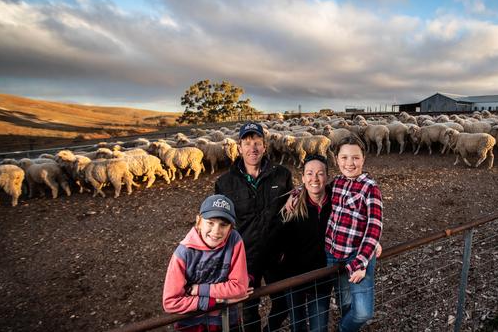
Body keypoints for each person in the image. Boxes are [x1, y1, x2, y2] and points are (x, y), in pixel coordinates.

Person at [281, 154, 383, 332]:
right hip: (295, 277)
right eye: (309, 174)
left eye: (320, 173)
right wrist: (296, 191)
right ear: (303, 177)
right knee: (297, 325)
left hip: (321, 275)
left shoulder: (336, 198)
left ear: (328, 177)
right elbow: (278, 237)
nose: (315, 178)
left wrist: (374, 242)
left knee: (319, 327)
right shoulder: (293, 206)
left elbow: (357, 221)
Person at [214, 122, 293, 332]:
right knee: (249, 309)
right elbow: (220, 223)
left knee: (284, 302)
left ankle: (269, 329)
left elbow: (291, 213)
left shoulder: (282, 175)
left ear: (265, 146)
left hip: (276, 254)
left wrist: (288, 247)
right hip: (245, 257)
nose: (253, 148)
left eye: (257, 142)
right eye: (247, 143)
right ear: (239, 147)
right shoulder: (225, 183)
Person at [162, 194, 252, 332]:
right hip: (192, 325)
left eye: (223, 224)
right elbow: (170, 302)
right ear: (198, 221)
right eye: (210, 222)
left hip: (227, 321)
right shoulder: (183, 253)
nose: (216, 231)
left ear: (231, 227)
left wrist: (197, 290)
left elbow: (239, 287)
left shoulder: (234, 240)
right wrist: (220, 300)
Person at [326, 135, 383, 332]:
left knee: (363, 312)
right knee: (345, 304)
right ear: (336, 159)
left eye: (355, 157)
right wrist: (298, 192)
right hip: (332, 253)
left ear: (363, 159)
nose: (350, 163)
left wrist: (361, 260)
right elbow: (313, 191)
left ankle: (343, 329)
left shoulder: (370, 188)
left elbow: (374, 227)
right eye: (344, 157)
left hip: (357, 257)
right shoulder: (336, 183)